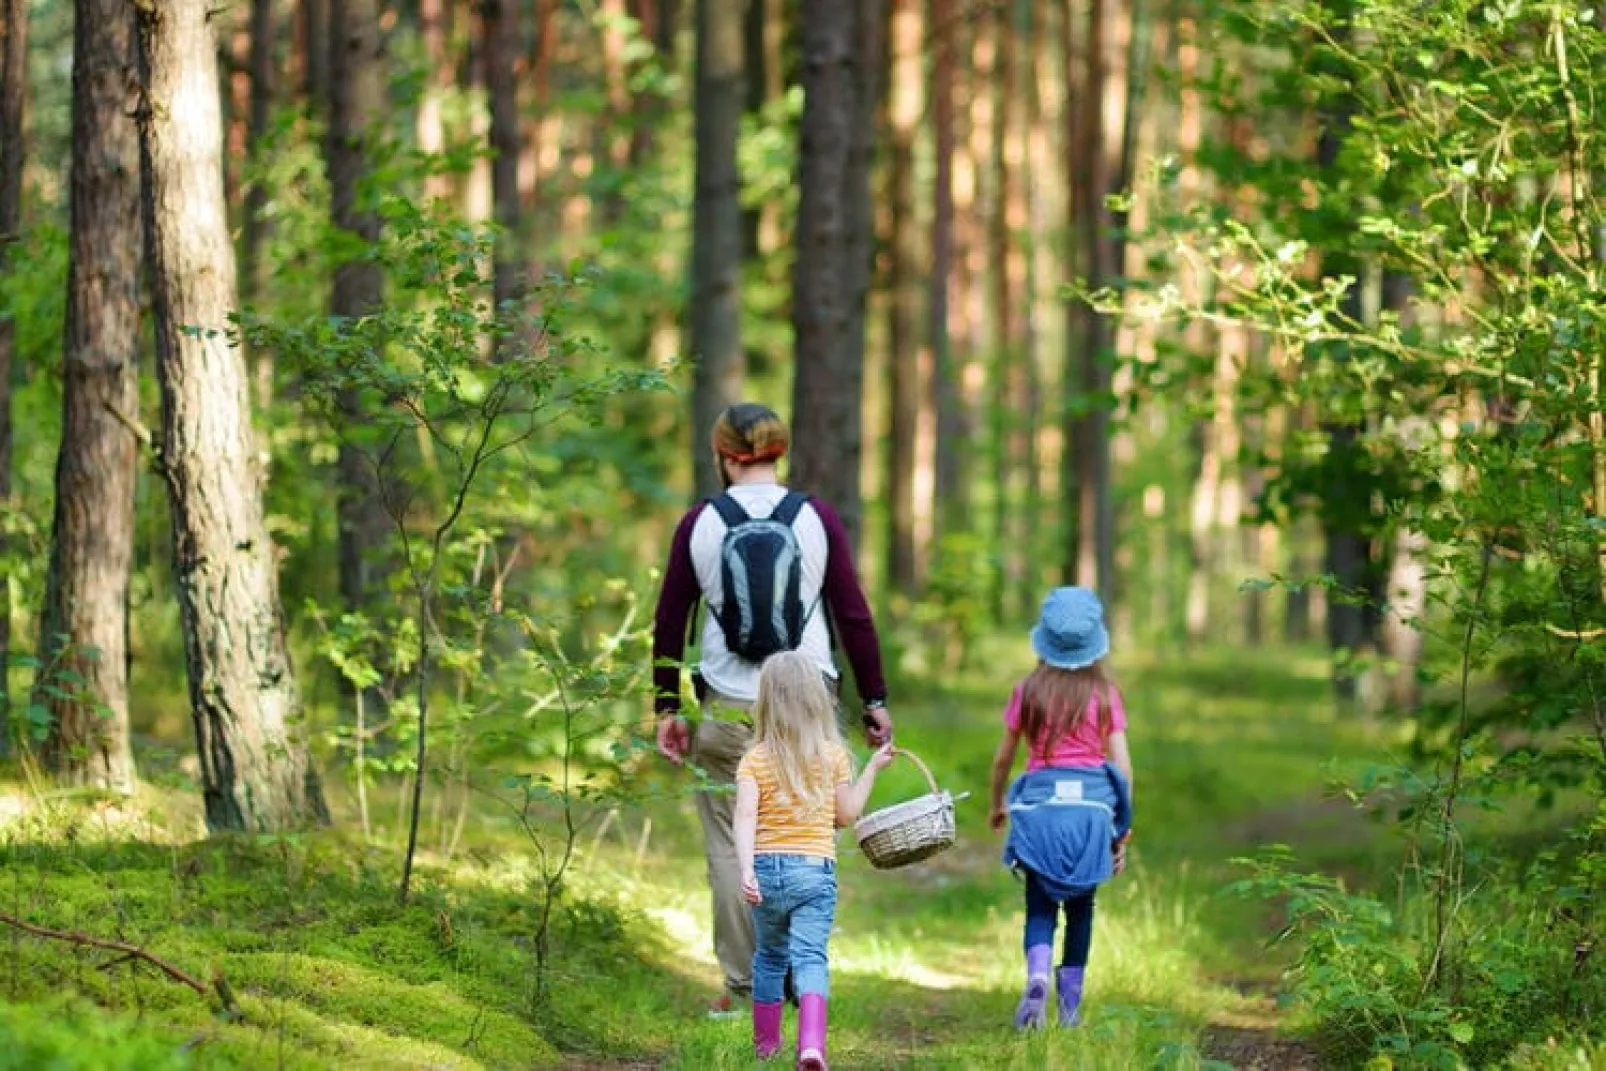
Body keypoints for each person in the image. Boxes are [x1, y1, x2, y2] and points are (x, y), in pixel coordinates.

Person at [652, 402, 894, 1018]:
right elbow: (853, 613)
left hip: (729, 704)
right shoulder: (815, 518)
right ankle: (800, 967)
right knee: (811, 833)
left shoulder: (700, 522)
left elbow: (670, 619)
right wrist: (873, 700)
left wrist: (665, 707)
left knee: (732, 848)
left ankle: (743, 985)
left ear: (725, 455)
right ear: (776, 452)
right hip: (808, 702)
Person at [734, 651, 895, 1069]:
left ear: (765, 701)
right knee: (810, 958)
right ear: (816, 700)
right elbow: (846, 815)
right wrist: (873, 768)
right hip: (813, 870)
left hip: (766, 872)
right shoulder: (833, 755)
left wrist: (747, 869)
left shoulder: (754, 759)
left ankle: (766, 1048)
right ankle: (810, 1047)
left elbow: (745, 816)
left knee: (769, 957)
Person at [988, 586, 1134, 1030]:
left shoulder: (1027, 690)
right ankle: (1069, 1009)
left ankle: (1036, 973)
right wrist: (1121, 830)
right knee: (1082, 909)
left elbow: (1003, 759)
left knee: (1039, 907)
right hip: (1090, 815)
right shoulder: (1106, 694)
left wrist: (998, 804)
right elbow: (1123, 769)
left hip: (1040, 810)